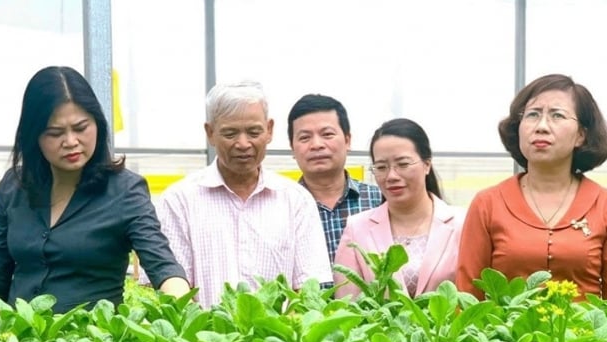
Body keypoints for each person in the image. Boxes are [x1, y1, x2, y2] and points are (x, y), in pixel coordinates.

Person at [0, 66, 189, 315]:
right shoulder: (13, 187)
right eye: (54, 133)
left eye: (80, 128)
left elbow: (161, 264)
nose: (71, 142)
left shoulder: (125, 190)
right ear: (33, 136)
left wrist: (183, 310)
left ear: (98, 124)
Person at [456, 73, 607, 300]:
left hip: (584, 335)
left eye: (557, 115)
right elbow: (466, 297)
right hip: (506, 334)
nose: (541, 126)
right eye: (533, 115)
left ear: (581, 135)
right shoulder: (487, 204)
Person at [151, 81, 332, 308]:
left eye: (254, 132)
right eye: (230, 133)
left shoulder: (296, 200)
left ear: (269, 130)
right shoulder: (178, 201)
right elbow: (174, 292)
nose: (243, 144)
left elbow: (307, 292)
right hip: (205, 341)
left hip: (277, 341)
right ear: (210, 133)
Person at [333, 118, 465, 298]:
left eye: (403, 164)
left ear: (427, 164)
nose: (391, 176)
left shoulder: (462, 223)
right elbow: (347, 303)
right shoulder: (357, 228)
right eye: (381, 167)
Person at [288, 94, 382, 263]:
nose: (317, 144)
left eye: (327, 134)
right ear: (292, 148)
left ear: (347, 140)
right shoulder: (284, 208)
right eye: (304, 137)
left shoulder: (380, 200)